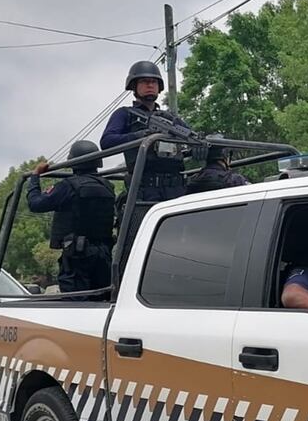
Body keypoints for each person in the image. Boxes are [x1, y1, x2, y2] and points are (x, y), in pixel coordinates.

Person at [27, 140, 115, 298]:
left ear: (73, 162)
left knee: (75, 303)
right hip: (103, 255)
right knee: (101, 299)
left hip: (78, 257)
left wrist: (34, 177)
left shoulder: (68, 186)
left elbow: (35, 204)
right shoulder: (108, 186)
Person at [100, 60, 192, 203]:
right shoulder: (125, 114)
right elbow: (107, 142)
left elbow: (193, 138)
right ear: (134, 86)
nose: (150, 85)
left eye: (154, 82)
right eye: (144, 81)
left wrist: (201, 148)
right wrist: (139, 137)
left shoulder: (170, 118)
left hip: (176, 188)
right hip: (144, 189)